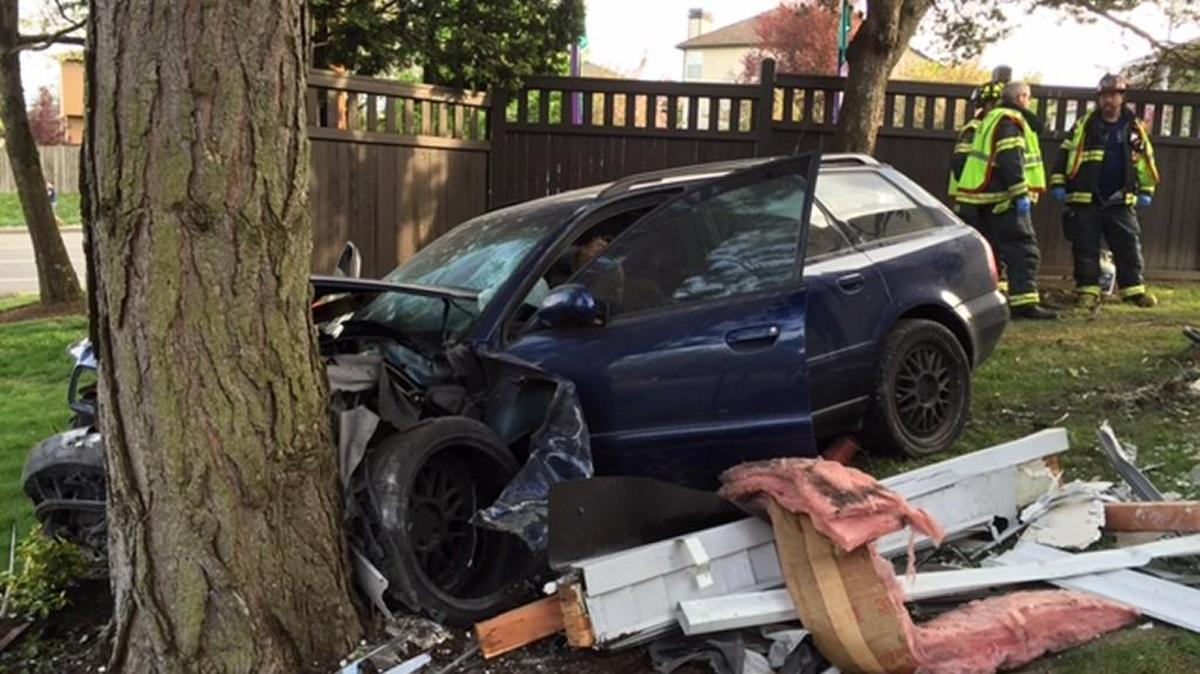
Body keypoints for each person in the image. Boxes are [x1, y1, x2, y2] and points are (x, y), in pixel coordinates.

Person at [1049, 74, 1160, 309]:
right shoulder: (1084, 126)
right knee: (1086, 247)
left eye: (1112, 96)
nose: (1107, 101)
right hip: (1085, 197)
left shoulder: (1133, 128)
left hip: (1119, 198)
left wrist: (1147, 188)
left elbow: (1144, 160)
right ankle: (1087, 291)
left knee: (1128, 245)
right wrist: (1058, 183)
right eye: (1104, 96)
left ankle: (1134, 291)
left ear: (1122, 98)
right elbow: (1064, 154)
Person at [956, 80, 1057, 320]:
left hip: (983, 198)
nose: (1029, 102)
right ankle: (1024, 304)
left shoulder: (989, 120)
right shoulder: (1010, 121)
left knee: (991, 252)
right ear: (1021, 97)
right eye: (1028, 97)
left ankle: (987, 304)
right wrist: (1020, 193)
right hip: (1005, 198)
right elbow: (1011, 158)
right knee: (1023, 249)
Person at [949, 79, 1005, 290]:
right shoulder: (975, 129)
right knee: (978, 245)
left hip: (988, 199)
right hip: (972, 199)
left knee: (995, 245)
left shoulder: (998, 127)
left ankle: (993, 285)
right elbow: (960, 163)